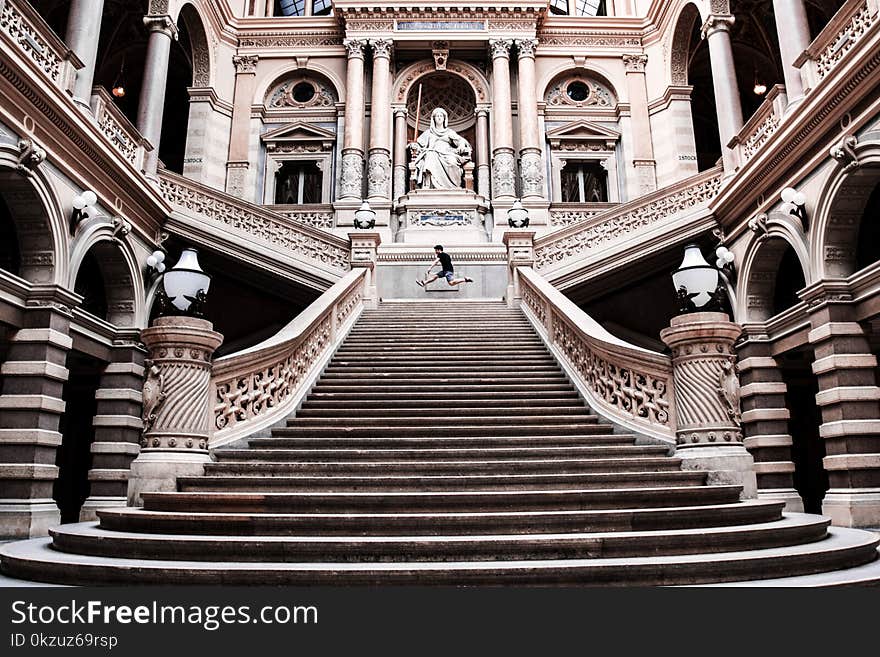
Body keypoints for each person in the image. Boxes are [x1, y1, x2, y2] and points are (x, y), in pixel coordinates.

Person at [410, 108, 472, 189]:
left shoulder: (449, 132)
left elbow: (461, 141)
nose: (439, 118)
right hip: (432, 152)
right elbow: (418, 144)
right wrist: (414, 146)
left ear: (444, 119)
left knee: (452, 161)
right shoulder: (429, 132)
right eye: (437, 116)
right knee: (430, 156)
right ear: (434, 119)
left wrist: (461, 145)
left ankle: (453, 186)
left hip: (448, 153)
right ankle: (429, 185)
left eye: (441, 116)